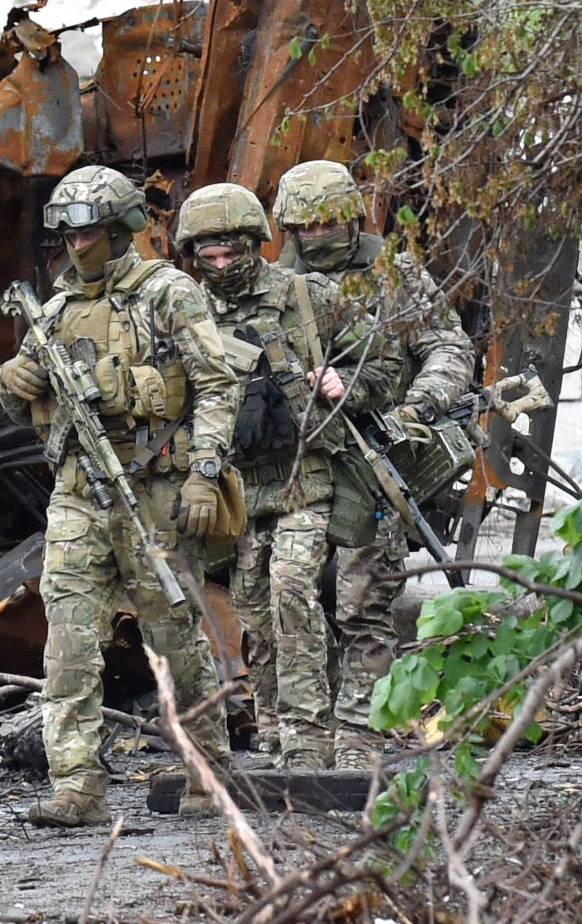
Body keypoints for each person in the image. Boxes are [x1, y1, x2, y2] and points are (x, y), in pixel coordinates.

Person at [0, 165, 240, 826]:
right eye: (68, 234)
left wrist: (205, 472)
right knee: (69, 639)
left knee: (174, 636)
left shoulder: (167, 294)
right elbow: (28, 414)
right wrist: (14, 384)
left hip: (153, 487)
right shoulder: (53, 310)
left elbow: (217, 384)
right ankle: (76, 786)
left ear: (123, 227)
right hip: (76, 492)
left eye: (91, 232)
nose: (78, 245)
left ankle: (208, 770)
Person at [174, 182, 396, 770]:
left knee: (292, 590)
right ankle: (271, 729)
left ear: (257, 243)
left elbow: (386, 358)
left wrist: (349, 384)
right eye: (208, 257)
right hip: (241, 491)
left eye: (232, 253)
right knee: (252, 610)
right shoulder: (186, 310)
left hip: (307, 478)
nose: (221, 268)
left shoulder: (306, 295)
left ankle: (307, 736)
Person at [273, 160, 475, 768]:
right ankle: (298, 738)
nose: (319, 235)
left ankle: (363, 737)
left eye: (330, 222)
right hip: (301, 461)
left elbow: (447, 345)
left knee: (365, 602)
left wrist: (419, 406)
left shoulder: (392, 274)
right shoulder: (274, 284)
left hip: (378, 453)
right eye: (305, 226)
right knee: (287, 596)